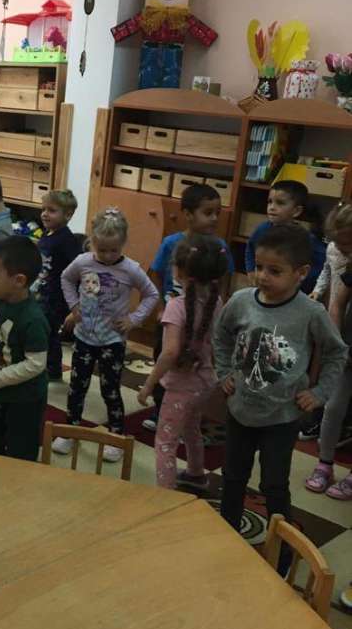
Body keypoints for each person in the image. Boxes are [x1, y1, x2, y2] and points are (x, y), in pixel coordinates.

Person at [214, 224, 347, 569]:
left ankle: (282, 554)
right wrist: (224, 372)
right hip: (240, 410)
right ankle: (225, 537)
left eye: (274, 271)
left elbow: (337, 352)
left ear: (301, 273)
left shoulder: (311, 312)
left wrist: (320, 392)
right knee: (232, 477)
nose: (262, 276)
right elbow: (222, 335)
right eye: (259, 267)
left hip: (281, 419)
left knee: (274, 485)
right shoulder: (241, 301)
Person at [53, 207, 158, 461]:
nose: (109, 256)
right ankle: (70, 431)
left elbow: (152, 294)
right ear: (92, 243)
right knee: (77, 387)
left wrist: (134, 320)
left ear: (123, 244)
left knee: (110, 390)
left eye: (114, 250)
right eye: (102, 250)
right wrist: (74, 306)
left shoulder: (131, 269)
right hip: (84, 337)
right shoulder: (83, 262)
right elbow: (66, 279)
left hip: (113, 341)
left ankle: (116, 436)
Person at [138, 235, 228, 489]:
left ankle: (165, 494)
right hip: (205, 383)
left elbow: (169, 353)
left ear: (179, 272)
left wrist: (149, 384)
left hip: (180, 387)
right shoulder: (216, 301)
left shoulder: (176, 307)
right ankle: (196, 473)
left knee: (165, 442)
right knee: (191, 428)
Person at [144, 182, 234, 433]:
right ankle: (161, 408)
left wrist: (220, 309)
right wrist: (160, 306)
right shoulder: (171, 243)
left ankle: (192, 411)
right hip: (173, 319)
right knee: (166, 359)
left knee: (198, 363)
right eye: (208, 212)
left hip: (202, 321)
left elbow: (224, 280)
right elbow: (155, 273)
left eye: (217, 213)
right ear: (187, 214)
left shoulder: (220, 246)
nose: (214, 218)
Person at [0, 236, 49, 461]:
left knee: (20, 452)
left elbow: (36, 364)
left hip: (25, 399)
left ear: (18, 280)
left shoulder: (33, 319)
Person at [305, 203, 352, 500]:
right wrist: (337, 345)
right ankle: (324, 464)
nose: (343, 251)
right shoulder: (345, 262)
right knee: (333, 407)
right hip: (346, 346)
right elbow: (337, 303)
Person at [245, 179, 326, 294]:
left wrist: (299, 282)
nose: (272, 207)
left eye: (280, 203)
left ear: (296, 211)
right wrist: (251, 271)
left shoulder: (304, 238)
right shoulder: (262, 229)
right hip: (265, 287)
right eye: (270, 202)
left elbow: (322, 263)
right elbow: (250, 248)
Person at [36, 189, 82, 381]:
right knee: (41, 330)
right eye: (43, 209)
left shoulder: (66, 240)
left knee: (49, 333)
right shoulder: (47, 234)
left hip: (56, 297)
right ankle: (40, 364)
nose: (45, 214)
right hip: (42, 291)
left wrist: (75, 304)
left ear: (68, 215)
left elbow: (78, 270)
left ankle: (53, 369)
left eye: (52, 210)